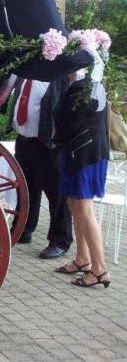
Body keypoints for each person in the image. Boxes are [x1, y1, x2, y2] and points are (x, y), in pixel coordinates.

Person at [53, 69, 111, 288]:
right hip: (81, 153)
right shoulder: (85, 85)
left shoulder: (84, 86)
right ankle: (82, 258)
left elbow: (72, 123)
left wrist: (55, 137)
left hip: (85, 155)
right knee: (74, 203)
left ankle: (100, 269)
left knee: (85, 208)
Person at [6, 76, 73, 258]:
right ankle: (23, 229)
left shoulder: (59, 77)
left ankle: (60, 241)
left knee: (56, 194)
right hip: (24, 140)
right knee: (25, 189)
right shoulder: (25, 74)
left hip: (47, 145)